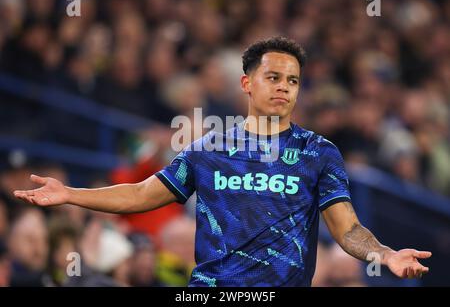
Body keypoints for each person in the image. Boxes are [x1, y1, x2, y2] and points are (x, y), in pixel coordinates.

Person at [13, 36, 431, 287]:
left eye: (293, 81)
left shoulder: (319, 152)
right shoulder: (206, 149)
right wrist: (69, 193)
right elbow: (141, 194)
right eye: (274, 77)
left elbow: (349, 229)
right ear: (247, 83)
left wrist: (385, 254)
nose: (285, 87)